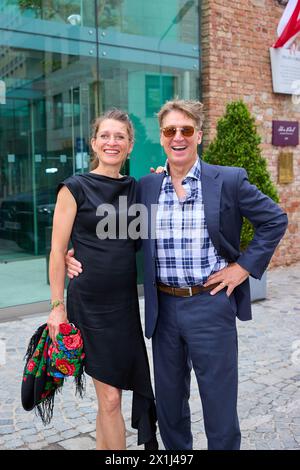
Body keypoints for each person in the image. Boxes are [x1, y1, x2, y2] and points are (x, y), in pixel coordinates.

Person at [66, 99, 288, 450]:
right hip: (164, 311)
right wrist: (73, 253)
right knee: (169, 408)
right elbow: (115, 233)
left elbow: (275, 220)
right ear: (162, 136)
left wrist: (243, 268)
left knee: (219, 407)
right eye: (171, 130)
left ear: (199, 135)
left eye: (186, 130)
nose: (178, 137)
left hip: (210, 306)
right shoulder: (146, 187)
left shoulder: (228, 180)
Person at [47, 108, 157, 451]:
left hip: (124, 306)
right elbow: (56, 251)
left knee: (110, 398)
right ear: (94, 143)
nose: (112, 142)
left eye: (120, 137)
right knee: (110, 397)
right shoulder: (74, 188)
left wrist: (160, 182)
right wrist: (56, 307)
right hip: (89, 305)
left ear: (130, 145)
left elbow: (139, 241)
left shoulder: (137, 189)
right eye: (105, 136)